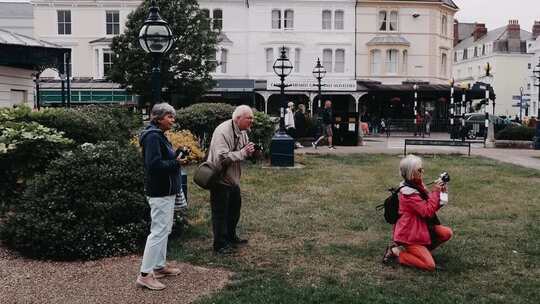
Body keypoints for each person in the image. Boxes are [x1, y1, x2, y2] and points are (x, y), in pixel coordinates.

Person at [136, 103, 186, 290]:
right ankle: (145, 274)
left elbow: (161, 160)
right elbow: (154, 165)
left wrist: (175, 158)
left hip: (166, 190)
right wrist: (176, 162)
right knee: (158, 231)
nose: (173, 120)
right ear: (158, 118)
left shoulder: (158, 136)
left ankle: (158, 267)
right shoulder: (152, 138)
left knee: (164, 230)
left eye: (173, 116)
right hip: (160, 191)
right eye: (169, 117)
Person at [382, 154, 453, 271]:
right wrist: (436, 191)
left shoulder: (417, 185)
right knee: (430, 266)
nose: (423, 171)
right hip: (410, 235)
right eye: (420, 170)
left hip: (421, 229)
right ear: (411, 173)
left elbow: (430, 206)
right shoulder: (408, 194)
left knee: (446, 233)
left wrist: (441, 195)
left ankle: (421, 251)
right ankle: (397, 253)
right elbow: (427, 211)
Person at [207, 105, 256, 255]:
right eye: (249, 118)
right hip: (219, 178)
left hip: (232, 178)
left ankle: (230, 237)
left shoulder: (242, 131)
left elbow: (243, 150)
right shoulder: (223, 131)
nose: (251, 121)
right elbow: (222, 157)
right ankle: (220, 245)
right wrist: (242, 153)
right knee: (220, 212)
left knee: (234, 209)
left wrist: (250, 150)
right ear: (238, 118)